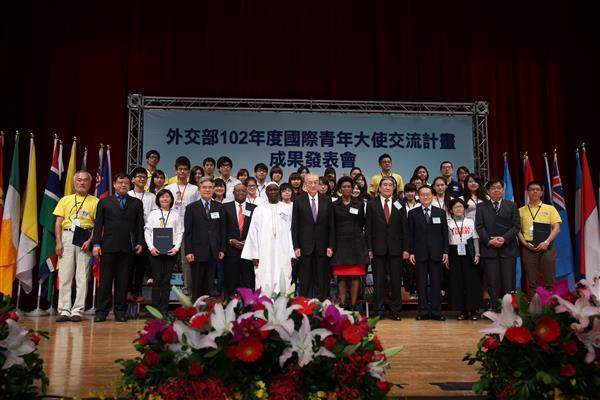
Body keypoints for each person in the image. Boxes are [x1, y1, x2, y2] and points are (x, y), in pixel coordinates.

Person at [92, 173, 144, 322]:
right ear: (114, 184)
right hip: (108, 247)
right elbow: (98, 225)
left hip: (128, 247)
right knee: (105, 281)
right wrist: (96, 244)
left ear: (130, 185)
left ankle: (120, 311)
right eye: (120, 182)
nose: (123, 185)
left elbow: (139, 225)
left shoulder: (136, 203)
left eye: (126, 183)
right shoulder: (104, 202)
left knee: (123, 281)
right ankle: (101, 311)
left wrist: (140, 242)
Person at [53, 171, 99, 322]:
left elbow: (97, 225)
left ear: (90, 183)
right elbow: (58, 222)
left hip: (85, 238)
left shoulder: (95, 201)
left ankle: (77, 311)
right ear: (74, 182)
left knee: (82, 276)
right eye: (79, 180)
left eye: (85, 180)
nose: (82, 183)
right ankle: (64, 310)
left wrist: (90, 240)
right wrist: (58, 242)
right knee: (65, 275)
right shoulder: (65, 200)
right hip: (67, 236)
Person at [242, 182, 296, 294]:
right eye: (270, 190)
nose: (273, 192)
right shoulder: (259, 209)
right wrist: (255, 254)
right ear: (266, 192)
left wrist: (292, 253)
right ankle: (263, 301)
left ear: (279, 191)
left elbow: (290, 232)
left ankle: (283, 300)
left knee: (283, 275)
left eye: (275, 189)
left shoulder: (287, 208)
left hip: (283, 251)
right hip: (264, 252)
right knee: (264, 276)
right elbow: (253, 232)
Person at [475, 179, 520, 308]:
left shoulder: (511, 205)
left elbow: (516, 226)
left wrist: (504, 239)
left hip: (508, 249)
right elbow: (479, 226)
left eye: (499, 188)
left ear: (503, 190)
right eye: (493, 188)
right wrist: (490, 240)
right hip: (490, 250)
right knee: (492, 282)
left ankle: (510, 309)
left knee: (509, 282)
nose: (496, 190)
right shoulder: (481, 207)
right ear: (488, 191)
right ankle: (494, 309)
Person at [365, 176, 405, 320]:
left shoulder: (400, 204)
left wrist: (406, 249)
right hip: (378, 249)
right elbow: (368, 228)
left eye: (390, 185)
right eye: (385, 185)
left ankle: (396, 311)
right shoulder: (372, 204)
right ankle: (378, 310)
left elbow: (404, 228)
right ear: (379, 188)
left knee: (395, 281)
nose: (387, 187)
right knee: (379, 281)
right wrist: (369, 248)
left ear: (394, 188)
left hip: (396, 249)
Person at [407, 185, 449, 321]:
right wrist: (411, 252)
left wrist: (446, 251)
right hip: (419, 254)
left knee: (436, 284)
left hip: (437, 253)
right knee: (421, 284)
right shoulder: (413, 213)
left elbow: (444, 234)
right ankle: (423, 311)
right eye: (422, 194)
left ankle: (436, 311)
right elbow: (410, 235)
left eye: (428, 194)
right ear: (418, 197)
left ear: (432, 196)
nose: (425, 197)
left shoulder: (440, 212)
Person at [292, 173, 335, 300]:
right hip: (304, 246)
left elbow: (331, 225)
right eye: (310, 182)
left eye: (315, 182)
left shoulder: (327, 200)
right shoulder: (298, 200)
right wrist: (296, 246)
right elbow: (295, 225)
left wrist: (331, 246)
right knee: (305, 279)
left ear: (319, 184)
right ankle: (304, 304)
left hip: (323, 246)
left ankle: (321, 305)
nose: (313, 185)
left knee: (322, 278)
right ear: (305, 184)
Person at [517, 181, 562, 299]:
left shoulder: (550, 209)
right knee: (532, 281)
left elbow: (557, 228)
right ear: (527, 192)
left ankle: (551, 306)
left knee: (549, 280)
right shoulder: (520, 210)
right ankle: (534, 307)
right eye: (532, 189)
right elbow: (517, 230)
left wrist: (546, 242)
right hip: (529, 247)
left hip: (547, 246)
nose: (535, 191)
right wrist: (525, 243)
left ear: (541, 193)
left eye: (537, 189)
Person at [184, 177, 226, 300]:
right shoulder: (191, 208)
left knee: (210, 285)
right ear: (199, 190)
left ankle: (208, 309)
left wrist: (222, 249)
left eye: (210, 187)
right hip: (197, 252)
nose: (207, 190)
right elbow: (188, 232)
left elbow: (222, 230)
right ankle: (196, 308)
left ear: (213, 190)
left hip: (214, 251)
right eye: (204, 187)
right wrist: (188, 251)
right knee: (197, 284)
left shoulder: (219, 207)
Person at [331, 177, 368, 311]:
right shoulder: (334, 205)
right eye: (344, 186)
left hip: (356, 243)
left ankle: (353, 305)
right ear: (340, 189)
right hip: (340, 243)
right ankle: (342, 305)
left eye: (349, 186)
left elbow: (362, 222)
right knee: (341, 276)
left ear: (352, 189)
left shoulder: (359, 204)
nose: (346, 189)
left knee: (354, 275)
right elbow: (332, 224)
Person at [144, 189, 183, 315]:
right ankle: (155, 310)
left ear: (171, 199)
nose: (165, 199)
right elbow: (147, 232)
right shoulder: (153, 214)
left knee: (166, 280)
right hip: (155, 250)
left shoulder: (176, 214)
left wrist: (176, 248)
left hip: (171, 250)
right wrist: (151, 247)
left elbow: (180, 232)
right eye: (162, 197)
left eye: (167, 197)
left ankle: (164, 309)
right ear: (158, 199)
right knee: (157, 279)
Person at [165, 156, 199, 295]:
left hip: (187, 228)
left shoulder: (194, 189)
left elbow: (198, 208)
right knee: (166, 258)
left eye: (185, 169)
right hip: (170, 227)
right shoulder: (169, 188)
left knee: (186, 260)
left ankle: (187, 290)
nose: (182, 172)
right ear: (176, 170)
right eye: (180, 169)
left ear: (189, 171)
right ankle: (164, 288)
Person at [447, 198, 481, 320]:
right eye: (455, 207)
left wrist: (477, 254)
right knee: (458, 282)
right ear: (451, 210)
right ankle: (462, 311)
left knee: (471, 282)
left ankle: (474, 310)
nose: (458, 209)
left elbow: (475, 238)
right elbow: (446, 241)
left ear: (464, 209)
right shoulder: (448, 223)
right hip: (454, 253)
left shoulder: (470, 221)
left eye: (460, 207)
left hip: (469, 252)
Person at [222, 183, 257, 297]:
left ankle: (249, 304)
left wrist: (248, 241)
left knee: (248, 281)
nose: (241, 193)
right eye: (238, 191)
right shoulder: (225, 207)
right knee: (231, 281)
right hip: (230, 251)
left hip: (248, 251)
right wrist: (230, 240)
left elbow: (256, 229)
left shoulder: (254, 208)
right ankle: (231, 304)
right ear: (233, 193)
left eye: (243, 191)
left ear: (247, 193)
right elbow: (221, 228)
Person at [128, 167, 158, 300]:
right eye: (139, 177)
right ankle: (128, 291)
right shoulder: (128, 194)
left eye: (144, 177)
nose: (142, 179)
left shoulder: (152, 196)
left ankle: (138, 292)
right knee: (129, 264)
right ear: (133, 179)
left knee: (141, 263)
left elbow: (155, 214)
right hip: (130, 233)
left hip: (146, 232)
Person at [401, 183, 420, 299]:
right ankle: (409, 291)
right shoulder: (400, 205)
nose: (410, 194)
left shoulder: (420, 204)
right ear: (404, 193)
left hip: (418, 238)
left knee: (417, 266)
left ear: (415, 192)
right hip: (404, 238)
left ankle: (417, 290)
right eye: (408, 191)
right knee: (406, 266)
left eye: (412, 191)